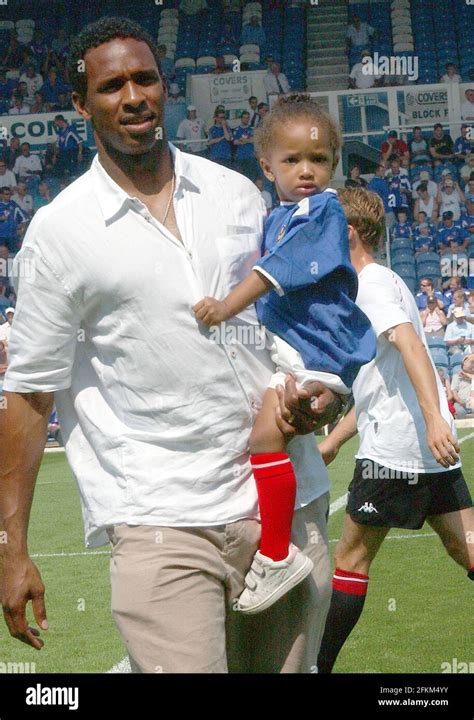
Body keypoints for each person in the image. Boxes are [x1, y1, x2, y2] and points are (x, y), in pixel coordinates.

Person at [0, 16, 341, 675]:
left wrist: (317, 391)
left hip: (286, 505)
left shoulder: (237, 194)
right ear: (80, 103)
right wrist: (10, 548)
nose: (133, 96)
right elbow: (29, 394)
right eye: (111, 86)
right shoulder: (59, 233)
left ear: (164, 86)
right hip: (161, 518)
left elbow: (291, 320)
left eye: (145, 78)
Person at [193, 95, 376, 614]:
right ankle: (275, 550)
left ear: (334, 166)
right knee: (267, 436)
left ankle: (275, 553)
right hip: (302, 350)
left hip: (316, 349)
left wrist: (225, 306)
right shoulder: (279, 212)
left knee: (264, 437)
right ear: (267, 166)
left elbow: (275, 272)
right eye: (292, 160)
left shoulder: (321, 211)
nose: (306, 171)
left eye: (318, 161)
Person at [316, 187, 474, 674]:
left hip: (397, 452)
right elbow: (384, 382)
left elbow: (408, 345)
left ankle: (314, 668)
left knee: (350, 560)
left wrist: (429, 418)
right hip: (428, 445)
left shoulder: (369, 285)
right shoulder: (386, 281)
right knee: (465, 545)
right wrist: (337, 439)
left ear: (348, 233)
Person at [0, 186, 28, 254]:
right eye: (6, 194)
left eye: (10, 194)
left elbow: (24, 218)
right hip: (1, 236)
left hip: (12, 236)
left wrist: (22, 230)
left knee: (12, 256)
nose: (9, 196)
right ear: (1, 195)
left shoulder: (14, 204)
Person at [232, 110, 257, 180]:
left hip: (250, 157)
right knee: (241, 178)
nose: (246, 119)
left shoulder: (252, 129)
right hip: (240, 157)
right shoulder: (237, 129)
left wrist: (245, 140)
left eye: (247, 118)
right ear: (241, 118)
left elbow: (254, 140)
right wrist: (246, 140)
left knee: (251, 178)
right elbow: (234, 142)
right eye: (244, 117)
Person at [368, 164, 394, 228]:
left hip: (376, 209)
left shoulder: (371, 183)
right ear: (377, 172)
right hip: (386, 208)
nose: (383, 172)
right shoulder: (381, 182)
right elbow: (388, 194)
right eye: (381, 171)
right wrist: (391, 188)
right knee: (389, 229)